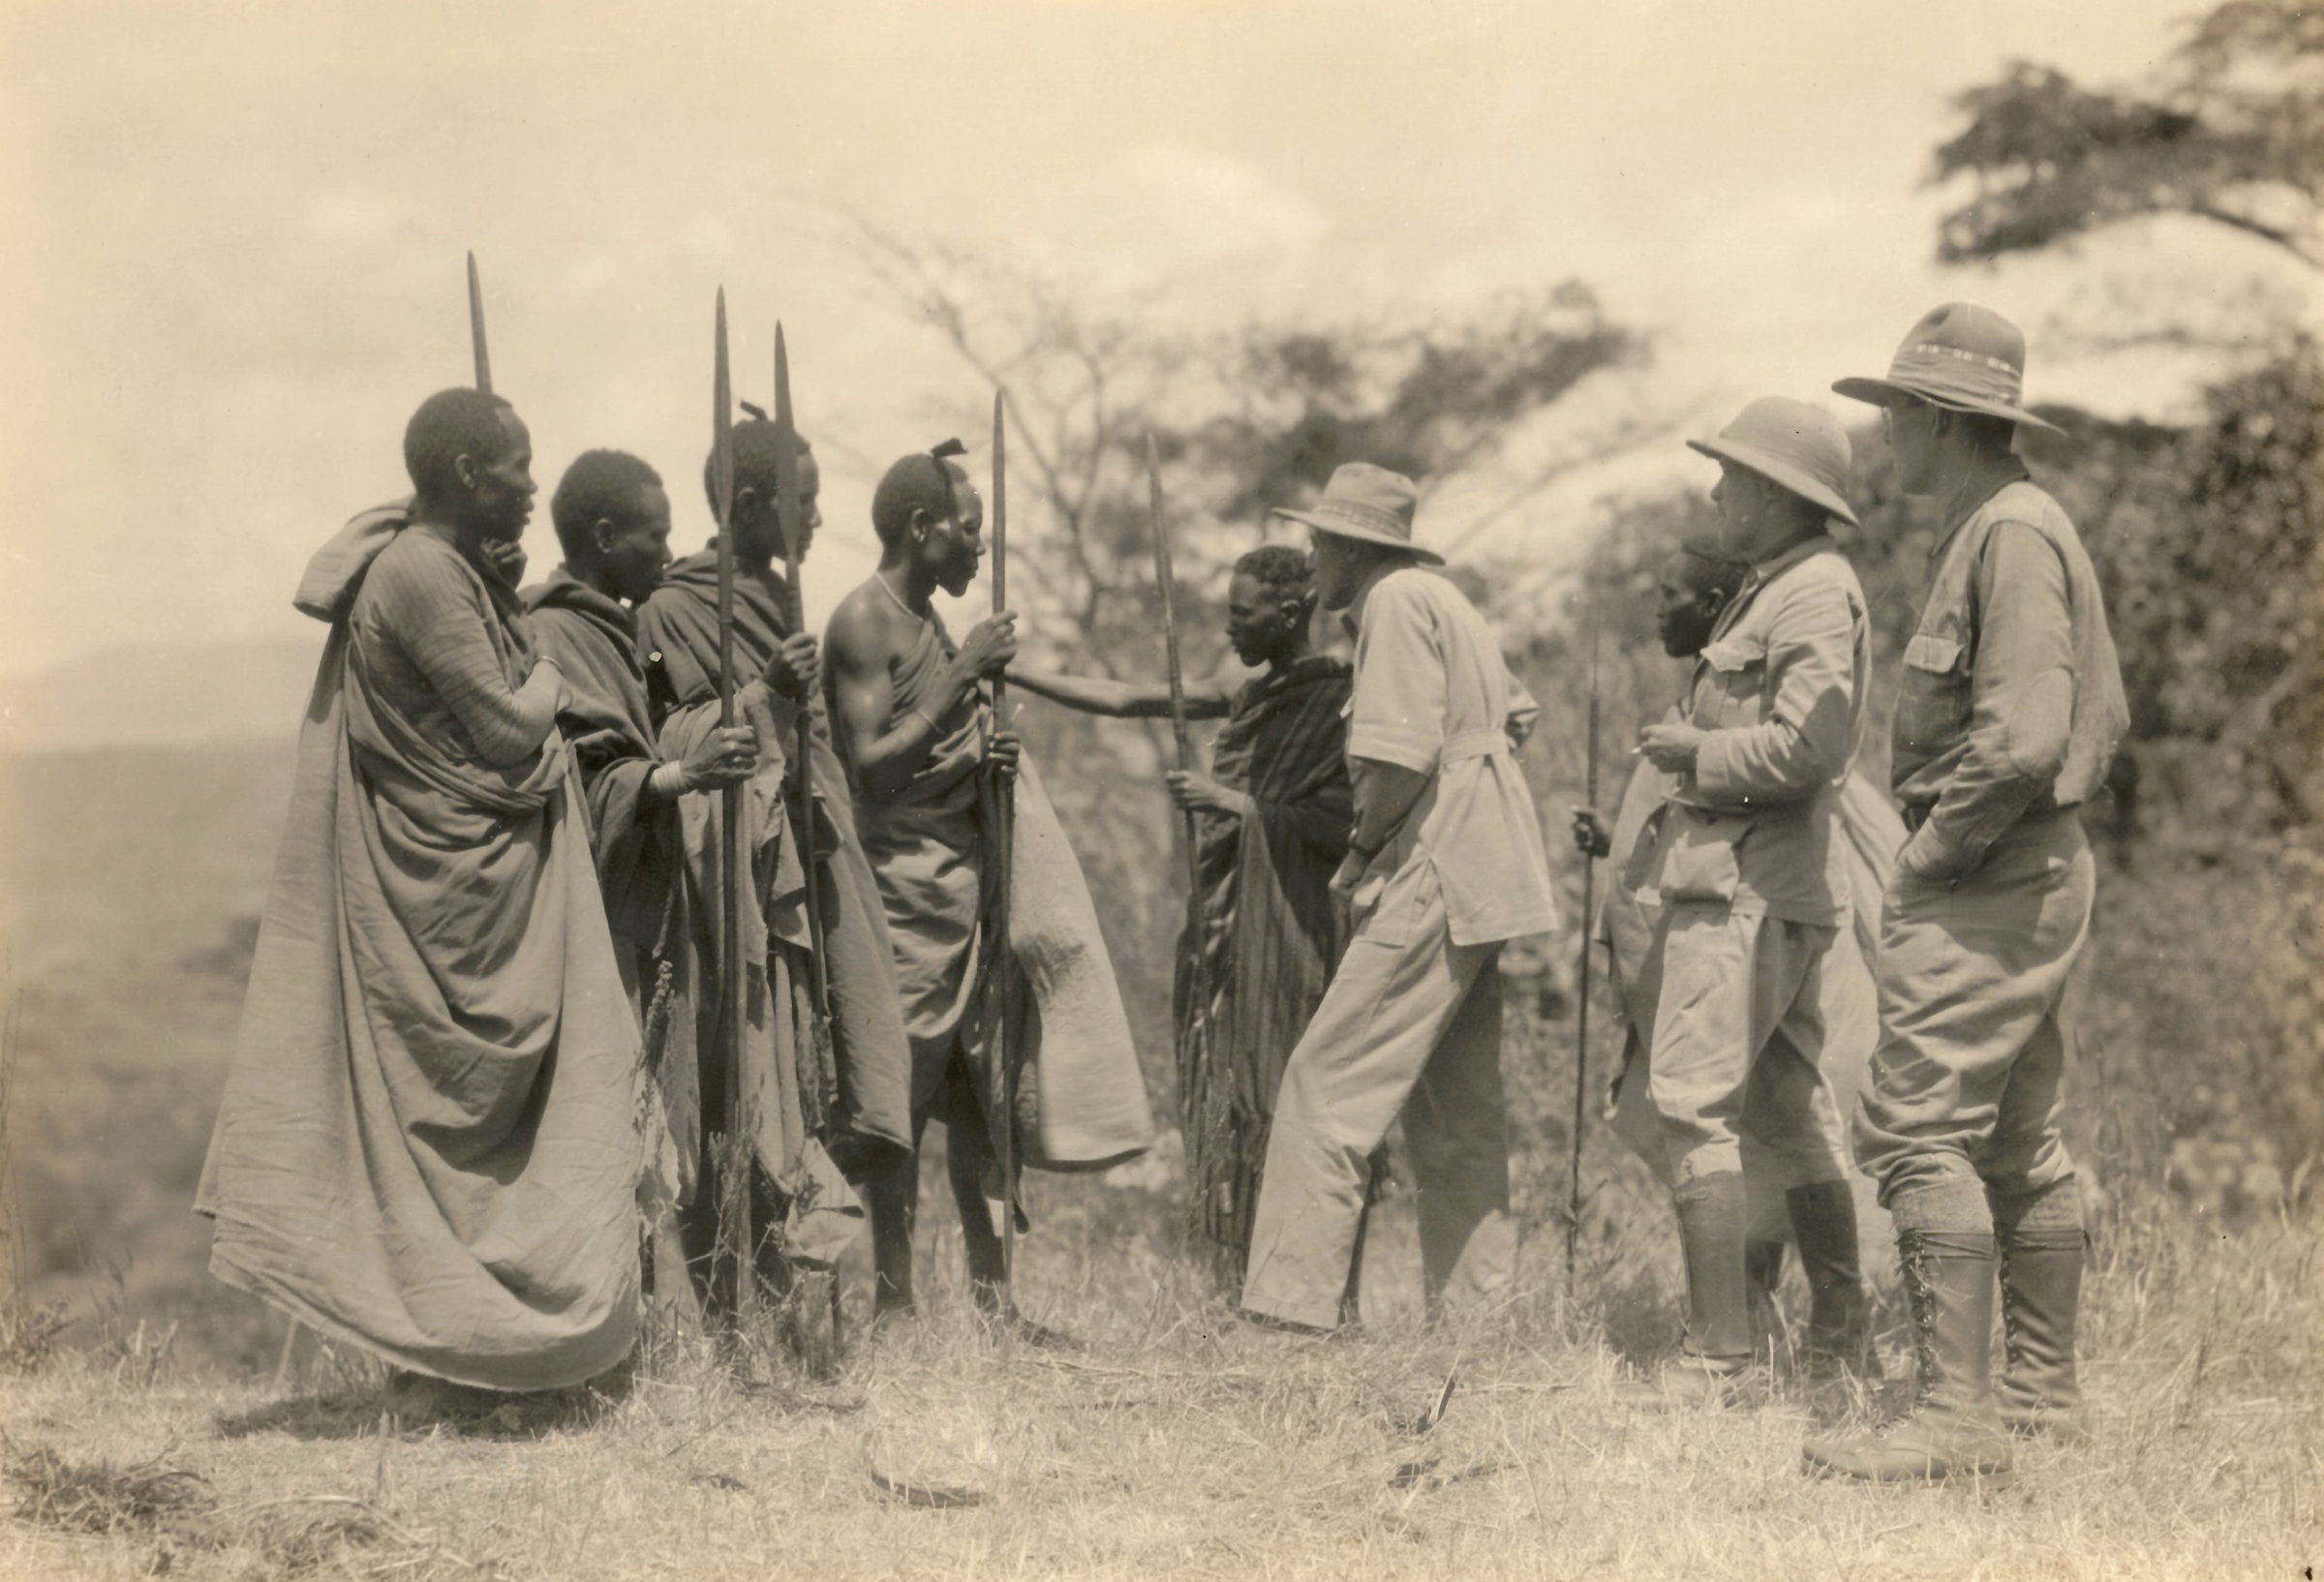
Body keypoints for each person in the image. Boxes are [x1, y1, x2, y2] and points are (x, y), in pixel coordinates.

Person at [198, 388, 644, 1394]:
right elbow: (506, 731)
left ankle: (469, 1354)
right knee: (449, 1142)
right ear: (468, 474)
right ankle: (463, 1355)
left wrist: (502, 609)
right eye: (519, 465)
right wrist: (543, 669)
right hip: (450, 900)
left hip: (462, 889)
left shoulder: (443, 570)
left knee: (454, 1149)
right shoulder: (422, 575)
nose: (536, 485)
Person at [1806, 305, 2128, 1480]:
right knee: (2018, 1140)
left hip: (1992, 866)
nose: (1886, 435)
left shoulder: (2010, 532)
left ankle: (1958, 1421)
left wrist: (1933, 850)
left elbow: (2029, 733)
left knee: (1912, 1128)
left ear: (1936, 418)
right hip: (2026, 865)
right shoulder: (2008, 522)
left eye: (1895, 414)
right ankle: (2038, 1402)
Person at [1581, 400, 1877, 1406]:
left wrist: (1693, 753)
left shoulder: (1806, 595)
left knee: (1690, 1104)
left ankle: (1720, 1357)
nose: (1718, 493)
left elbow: (1811, 748)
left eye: (1732, 478)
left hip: (1747, 893)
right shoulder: (1780, 588)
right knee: (1789, 1115)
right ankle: (1839, 1339)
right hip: (1761, 887)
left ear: (1776, 494)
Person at [824, 443, 1153, 1342]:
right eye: (971, 530)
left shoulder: (935, 625)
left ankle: (995, 1303)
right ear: (923, 528)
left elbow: (941, 751)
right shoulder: (865, 621)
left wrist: (985, 754)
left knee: (982, 1097)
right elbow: (871, 770)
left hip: (973, 889)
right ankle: (893, 1301)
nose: (980, 549)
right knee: (899, 1103)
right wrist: (964, 678)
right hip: (899, 899)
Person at [525, 448, 859, 1330]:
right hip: (599, 915)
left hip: (662, 902)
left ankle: (689, 1320)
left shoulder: (622, 624)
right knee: (616, 1126)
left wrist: (753, 700)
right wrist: (680, 773)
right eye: (656, 535)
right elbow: (588, 775)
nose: (669, 551)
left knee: (674, 1112)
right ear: (604, 538)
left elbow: (666, 728)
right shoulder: (555, 632)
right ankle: (608, 1331)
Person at [1239, 463, 1558, 1333]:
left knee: (1323, 1085)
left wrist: (1366, 846)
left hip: (1436, 863)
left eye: (1319, 545)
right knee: (1454, 1107)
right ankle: (1475, 1326)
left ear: (1349, 546)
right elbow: (1515, 715)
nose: (1312, 562)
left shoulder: (1388, 604)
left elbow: (1394, 760)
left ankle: (1287, 1320)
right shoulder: (1443, 601)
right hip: (1484, 866)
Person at [1011, 545, 1358, 1295]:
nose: (1231, 630)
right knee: (1223, 1075)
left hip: (1298, 929)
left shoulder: (1343, 700)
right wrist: (1011, 672)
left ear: (1290, 614)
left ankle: (1312, 1281)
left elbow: (1348, 819)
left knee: (1291, 1085)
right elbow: (1126, 698)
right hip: (1229, 922)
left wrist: (1236, 806)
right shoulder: (1246, 695)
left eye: (1243, 615)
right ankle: (1238, 1274)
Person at [632, 414, 918, 1302]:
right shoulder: (672, 606)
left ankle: (798, 1296)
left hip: (812, 855)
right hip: (729, 877)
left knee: (817, 1065)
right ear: (751, 505)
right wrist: (764, 695)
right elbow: (670, 736)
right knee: (736, 1071)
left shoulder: (784, 600)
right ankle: (725, 1301)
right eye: (805, 504)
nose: (818, 521)